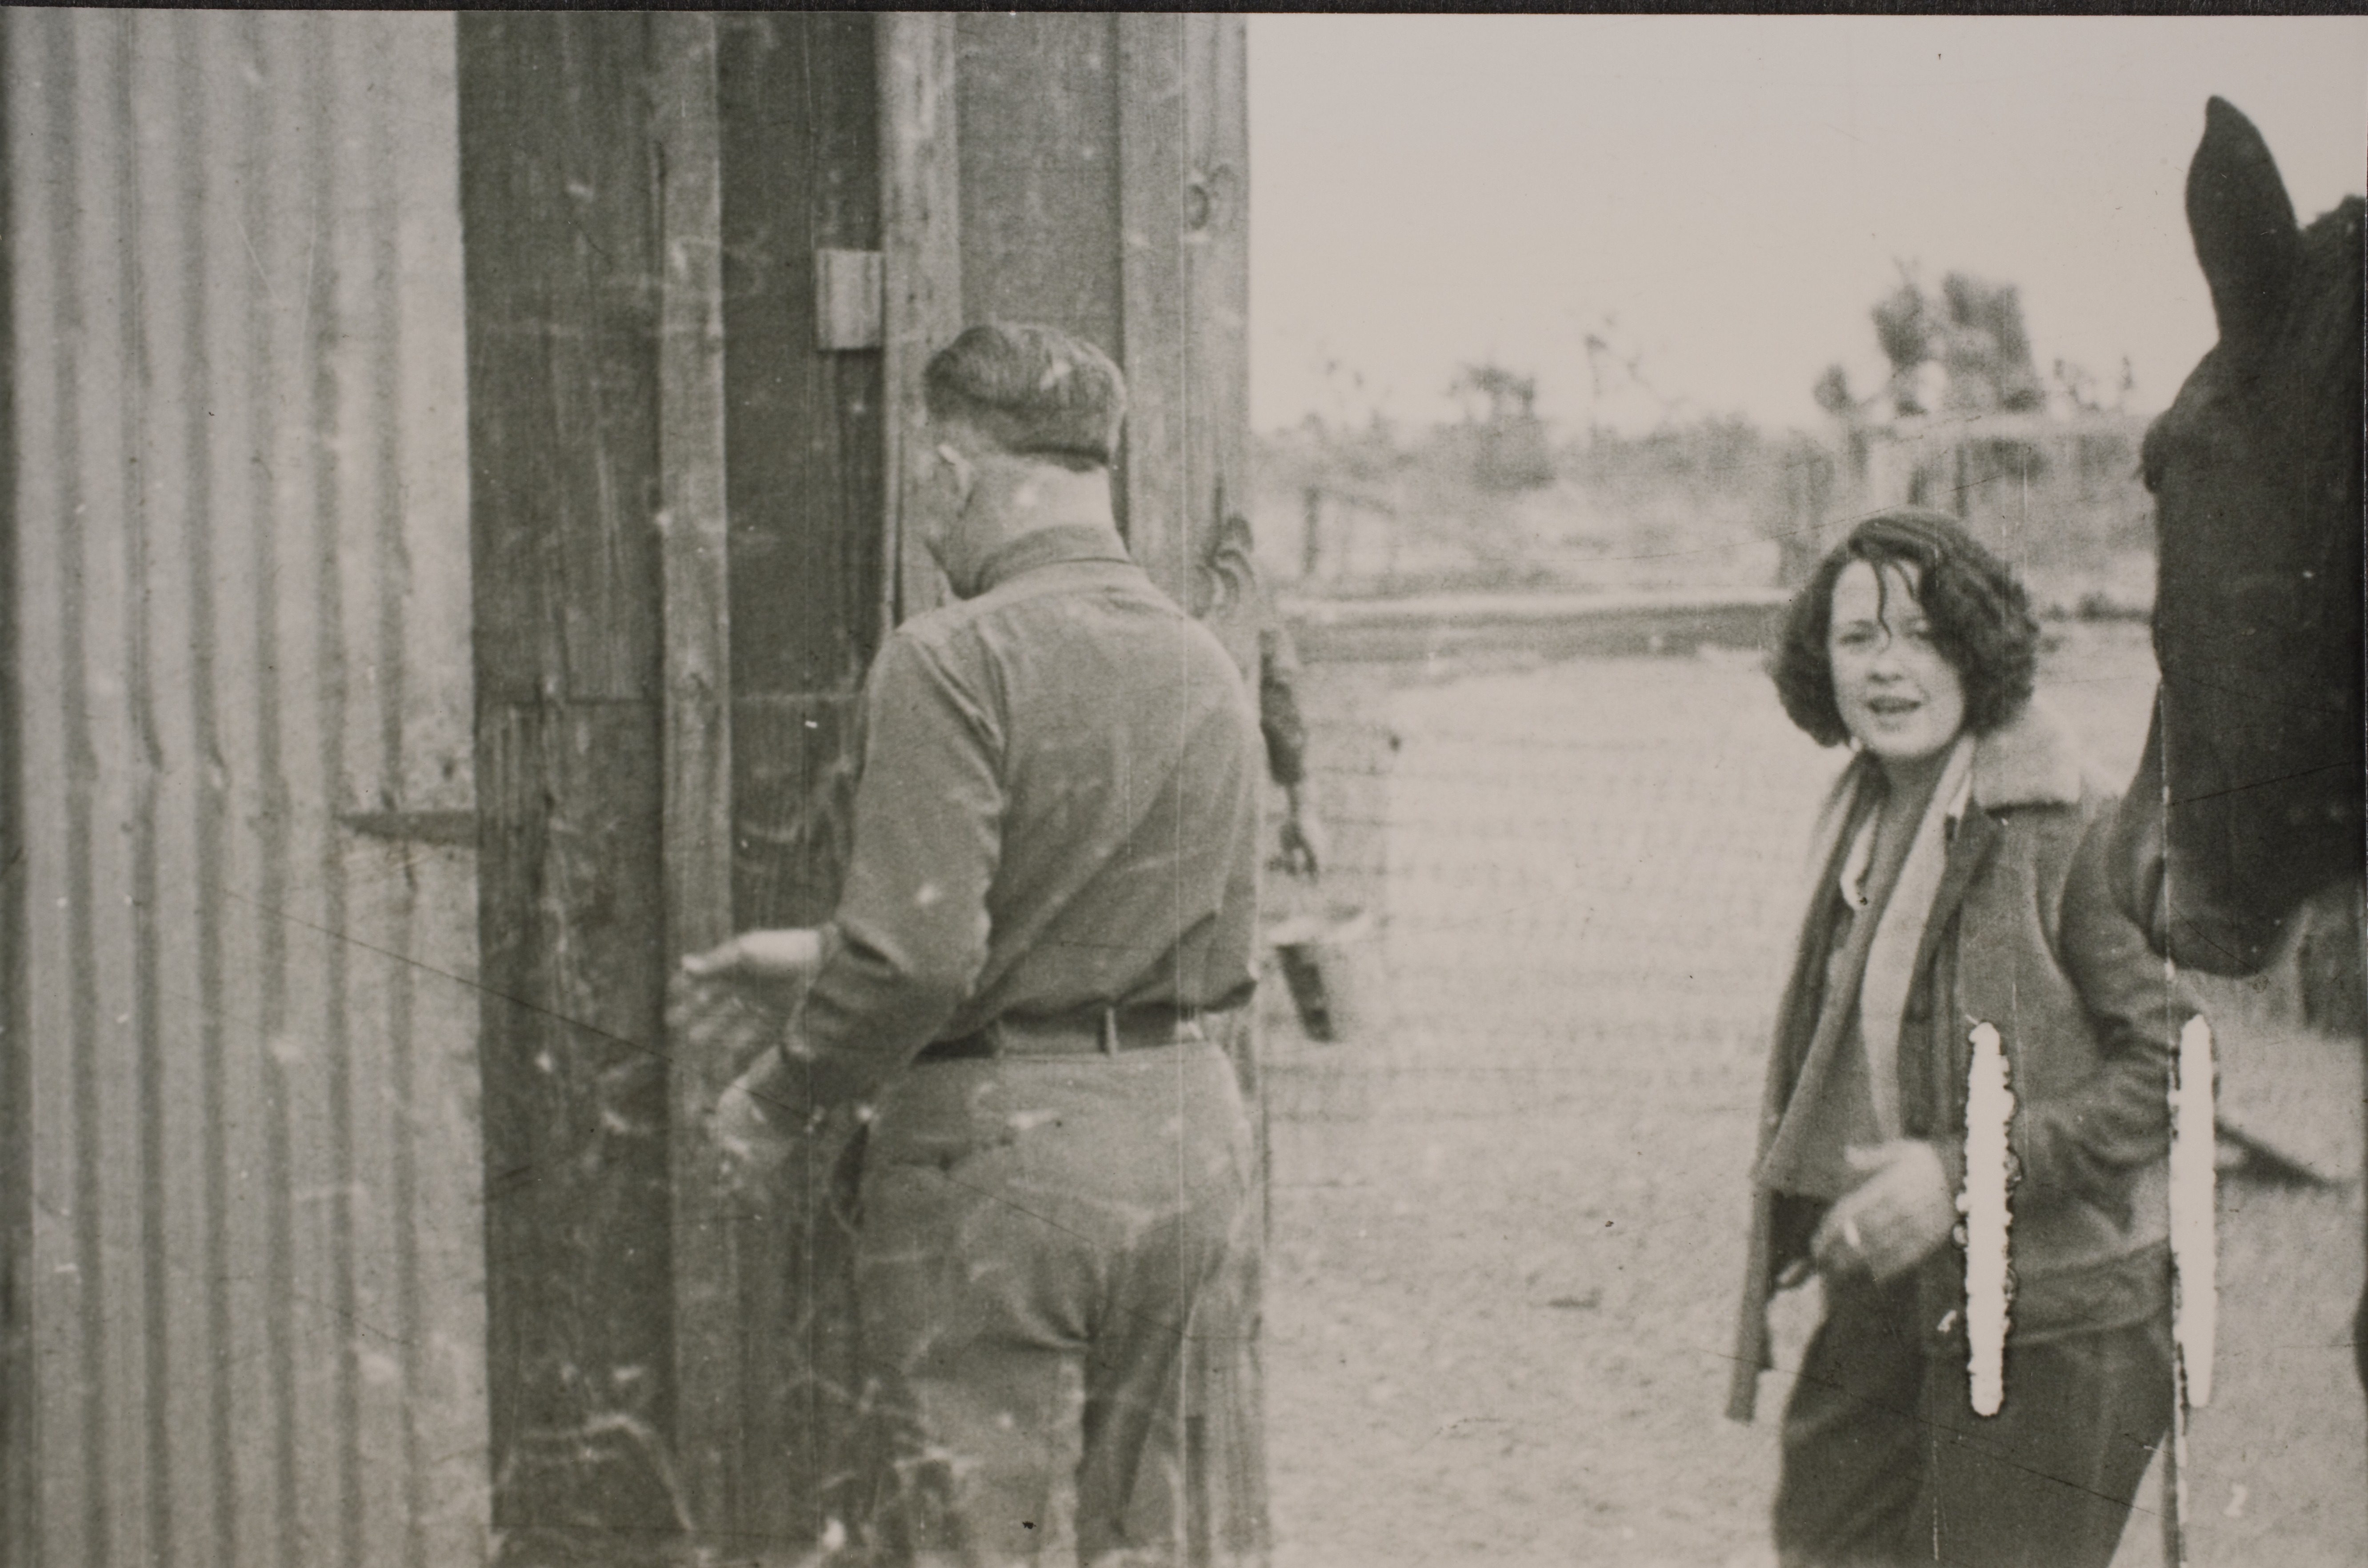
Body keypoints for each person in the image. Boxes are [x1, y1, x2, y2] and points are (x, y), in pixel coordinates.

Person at [685, 323, 1265, 1566]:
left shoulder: (953, 657)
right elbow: (1165, 926)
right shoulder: (1204, 663)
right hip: (1188, 1135)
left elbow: (920, 965)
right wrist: (828, 952)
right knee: (1149, 1538)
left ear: (953, 472)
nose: (929, 523)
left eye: (926, 489)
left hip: (1006, 1161)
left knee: (980, 1538)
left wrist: (778, 1097)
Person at [1727, 509, 2190, 1568]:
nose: (1891, 668)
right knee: (1823, 1541)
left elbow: (2176, 1072)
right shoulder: (1860, 814)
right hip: (1897, 1294)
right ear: (1821, 659)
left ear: (1978, 650)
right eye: (1860, 638)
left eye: (1926, 635)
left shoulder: (2067, 823)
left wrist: (1963, 1175)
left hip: (2056, 1322)